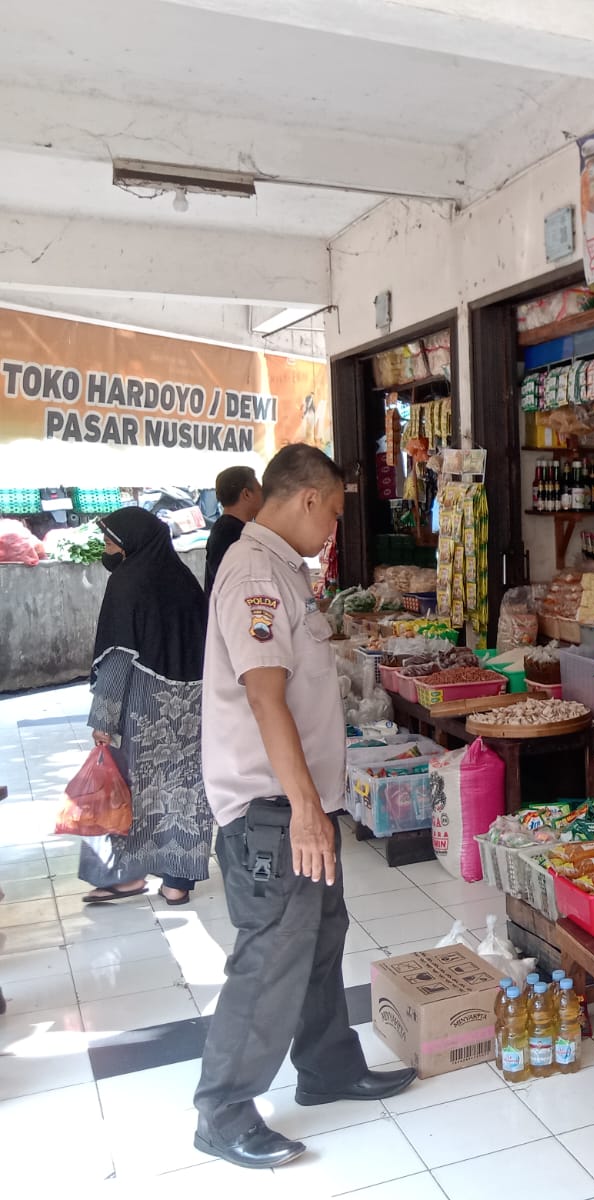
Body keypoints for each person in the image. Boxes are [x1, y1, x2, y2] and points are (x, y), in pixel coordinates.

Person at [192, 444, 414, 1169]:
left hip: (296, 799)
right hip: (271, 807)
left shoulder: (283, 572)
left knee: (321, 938)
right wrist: (303, 809)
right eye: (337, 516)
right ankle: (224, 1110)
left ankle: (327, 1067)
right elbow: (264, 697)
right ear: (310, 498)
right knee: (273, 955)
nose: (335, 533)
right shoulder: (256, 575)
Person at [78, 507, 212, 907]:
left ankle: (125, 877)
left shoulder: (127, 582)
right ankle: (177, 881)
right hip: (192, 705)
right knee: (185, 790)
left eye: (110, 541)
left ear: (130, 542)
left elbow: (118, 656)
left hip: (141, 709)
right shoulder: (184, 579)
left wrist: (103, 717)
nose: (106, 549)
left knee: (123, 789)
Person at [206, 465, 263, 595]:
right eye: (260, 490)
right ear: (247, 494)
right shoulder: (229, 533)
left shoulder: (228, 528)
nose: (264, 496)